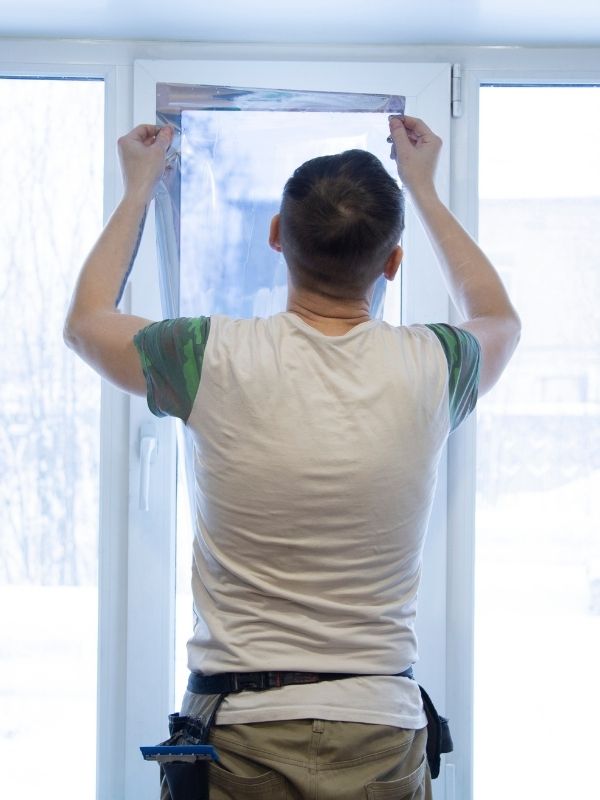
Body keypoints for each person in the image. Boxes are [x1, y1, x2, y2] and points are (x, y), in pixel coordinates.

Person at [64, 115, 520, 800]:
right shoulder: (434, 365)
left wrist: (138, 187)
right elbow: (500, 317)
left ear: (276, 238)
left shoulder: (209, 357)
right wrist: (422, 190)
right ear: (393, 263)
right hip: (382, 733)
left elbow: (87, 321)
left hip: (241, 731)